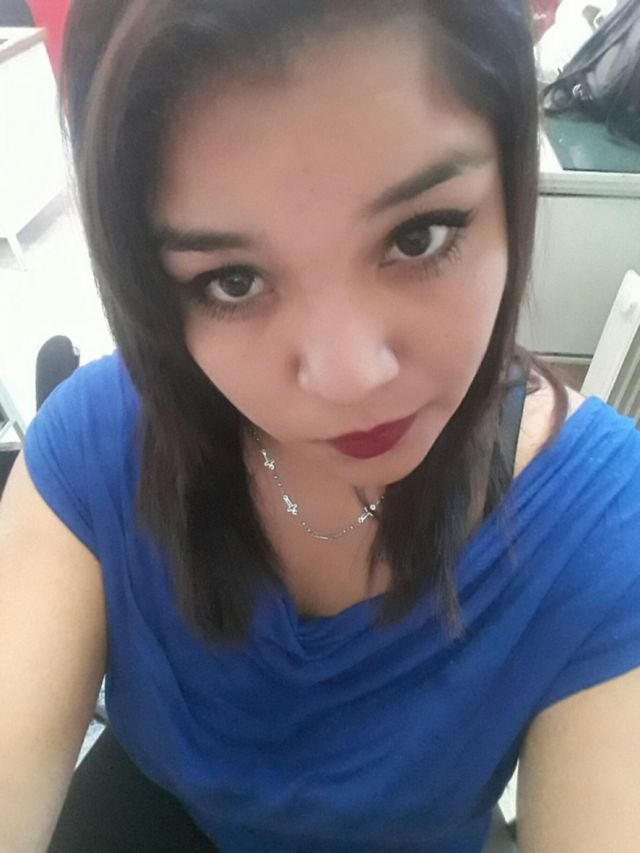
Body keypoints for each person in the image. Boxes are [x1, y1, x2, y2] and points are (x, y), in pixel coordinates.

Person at [1, 1, 639, 851]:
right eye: (233, 280)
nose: (349, 379)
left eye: (419, 235)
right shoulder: (100, 449)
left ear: (511, 186)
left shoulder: (601, 529)